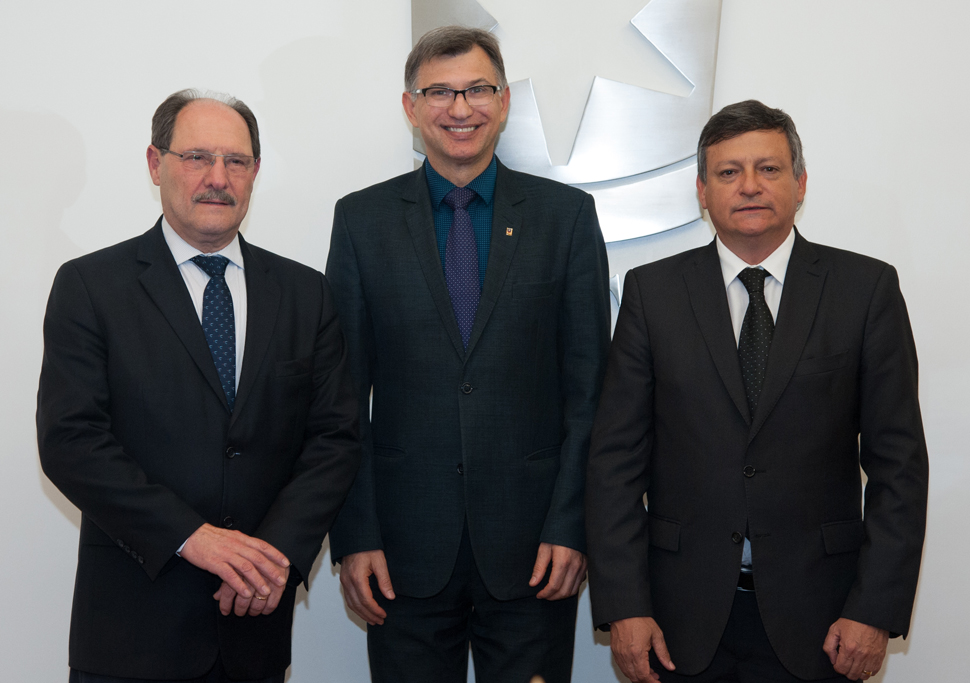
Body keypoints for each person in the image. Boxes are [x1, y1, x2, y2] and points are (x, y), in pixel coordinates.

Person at [585, 100, 928, 683]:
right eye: (728, 172)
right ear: (702, 190)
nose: (749, 186)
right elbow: (615, 463)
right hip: (678, 619)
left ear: (800, 183)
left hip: (824, 619)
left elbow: (899, 466)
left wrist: (874, 610)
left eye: (768, 169)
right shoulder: (652, 294)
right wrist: (624, 605)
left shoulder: (865, 290)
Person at [37, 89, 361, 683]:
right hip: (131, 634)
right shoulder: (91, 287)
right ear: (155, 163)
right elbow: (71, 441)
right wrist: (192, 538)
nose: (218, 178)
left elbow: (334, 439)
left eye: (236, 161)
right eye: (196, 158)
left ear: (255, 172)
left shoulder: (306, 294)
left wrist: (274, 558)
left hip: (254, 625)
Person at [325, 25, 611, 683]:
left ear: (504, 102)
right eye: (440, 92)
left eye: (478, 89)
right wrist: (356, 535)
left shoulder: (565, 217)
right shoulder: (362, 221)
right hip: (402, 553)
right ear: (411, 107)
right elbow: (341, 399)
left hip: (535, 550)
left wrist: (571, 524)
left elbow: (590, 390)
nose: (461, 108)